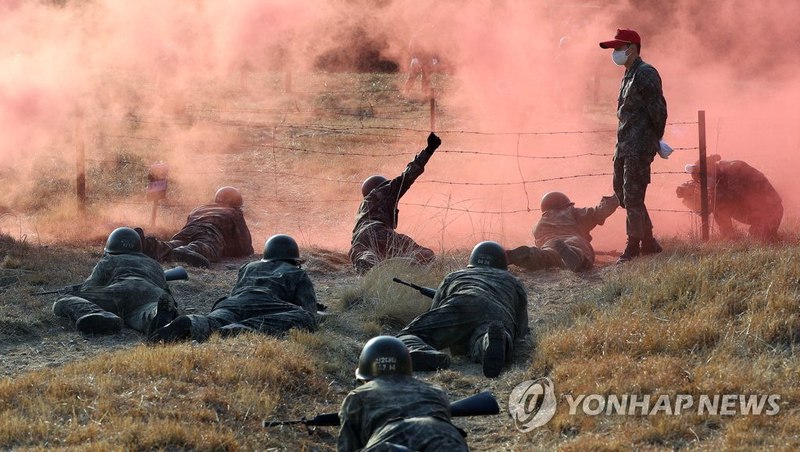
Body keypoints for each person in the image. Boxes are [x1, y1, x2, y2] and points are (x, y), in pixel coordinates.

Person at [149, 234, 317, 343]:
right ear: (294, 259)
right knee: (306, 319)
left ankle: (192, 322)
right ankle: (241, 329)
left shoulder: (248, 266)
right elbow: (309, 311)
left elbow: (238, 291)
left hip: (232, 303)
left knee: (215, 321)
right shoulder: (297, 273)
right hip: (268, 305)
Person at [396, 241, 528, 378]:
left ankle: (422, 352)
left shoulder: (455, 276)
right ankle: (490, 340)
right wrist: (511, 334)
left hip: (461, 303)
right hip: (498, 313)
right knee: (482, 339)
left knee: (409, 335)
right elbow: (521, 330)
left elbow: (435, 309)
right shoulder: (514, 281)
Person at [599, 29, 668, 263]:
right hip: (625, 144)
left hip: (639, 145)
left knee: (633, 195)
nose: (615, 52)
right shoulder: (629, 74)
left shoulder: (645, 73)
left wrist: (655, 141)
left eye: (619, 48)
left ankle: (634, 246)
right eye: (614, 49)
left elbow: (658, 110)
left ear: (632, 47)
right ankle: (648, 241)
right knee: (622, 193)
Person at [338, 336, 468, 452]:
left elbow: (347, 447)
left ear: (364, 375)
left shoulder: (358, 396)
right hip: (446, 435)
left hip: (392, 438)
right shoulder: (435, 391)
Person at [52, 227, 178, 336]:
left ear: (110, 246)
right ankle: (156, 314)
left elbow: (90, 286)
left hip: (120, 292)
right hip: (153, 293)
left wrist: (74, 290)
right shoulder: (154, 264)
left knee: (64, 299)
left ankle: (100, 315)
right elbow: (165, 288)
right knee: (142, 314)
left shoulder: (109, 260)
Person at [349, 133, 440, 275]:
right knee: (426, 254)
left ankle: (371, 262)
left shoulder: (363, 208)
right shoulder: (385, 192)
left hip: (358, 242)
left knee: (367, 258)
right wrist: (428, 151)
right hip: (379, 231)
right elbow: (407, 176)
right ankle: (400, 264)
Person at [138, 186, 254, 268]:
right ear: (237, 203)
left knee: (176, 242)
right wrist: (247, 252)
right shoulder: (233, 213)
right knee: (203, 246)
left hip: (187, 231)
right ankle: (185, 251)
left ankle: (151, 245)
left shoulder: (199, 209)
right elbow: (244, 244)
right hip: (209, 233)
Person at [507, 191, 620, 272]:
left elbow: (539, 243)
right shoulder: (572, 212)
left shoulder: (538, 226)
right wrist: (617, 197)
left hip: (550, 244)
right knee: (580, 253)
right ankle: (576, 258)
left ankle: (529, 255)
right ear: (566, 205)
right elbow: (599, 212)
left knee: (548, 256)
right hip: (575, 241)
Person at [678, 154, 783, 240]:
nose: (704, 182)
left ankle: (730, 237)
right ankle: (729, 237)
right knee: (717, 200)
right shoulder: (719, 174)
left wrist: (708, 198)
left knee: (760, 238)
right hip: (754, 211)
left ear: (710, 170)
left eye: (703, 178)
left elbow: (735, 198)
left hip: (770, 213)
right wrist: (689, 193)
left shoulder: (735, 169)